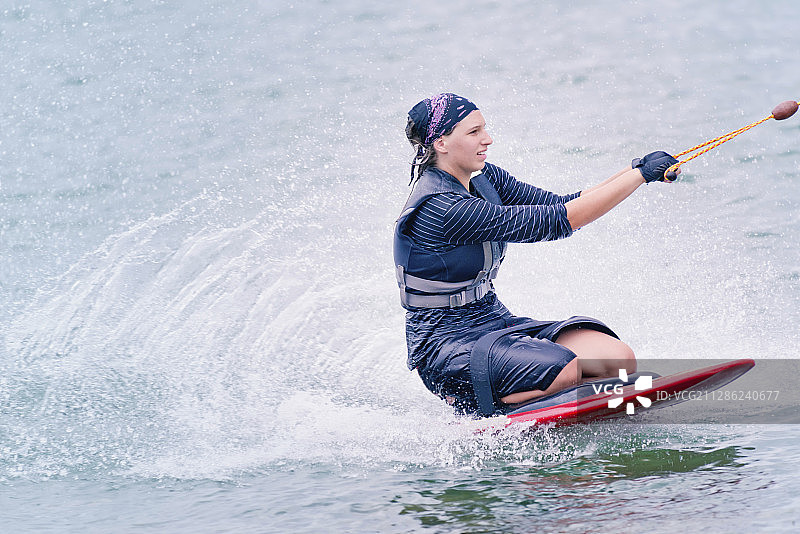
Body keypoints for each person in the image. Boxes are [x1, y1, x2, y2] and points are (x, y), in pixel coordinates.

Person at [393, 92, 679, 417]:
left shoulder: (484, 178)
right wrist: (639, 176)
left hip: (491, 319)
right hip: (446, 345)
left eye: (484, 129)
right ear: (441, 143)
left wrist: (636, 170)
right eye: (474, 132)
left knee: (616, 359)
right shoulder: (443, 209)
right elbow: (561, 221)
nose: (487, 139)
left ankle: (553, 397)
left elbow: (561, 203)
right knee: (565, 369)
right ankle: (479, 412)